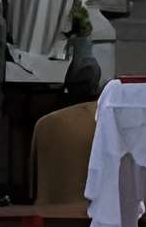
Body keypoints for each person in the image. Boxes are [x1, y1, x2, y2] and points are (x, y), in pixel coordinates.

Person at [28, 53, 104, 212]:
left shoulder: (44, 123)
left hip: (47, 213)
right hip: (95, 214)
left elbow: (31, 186)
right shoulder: (105, 123)